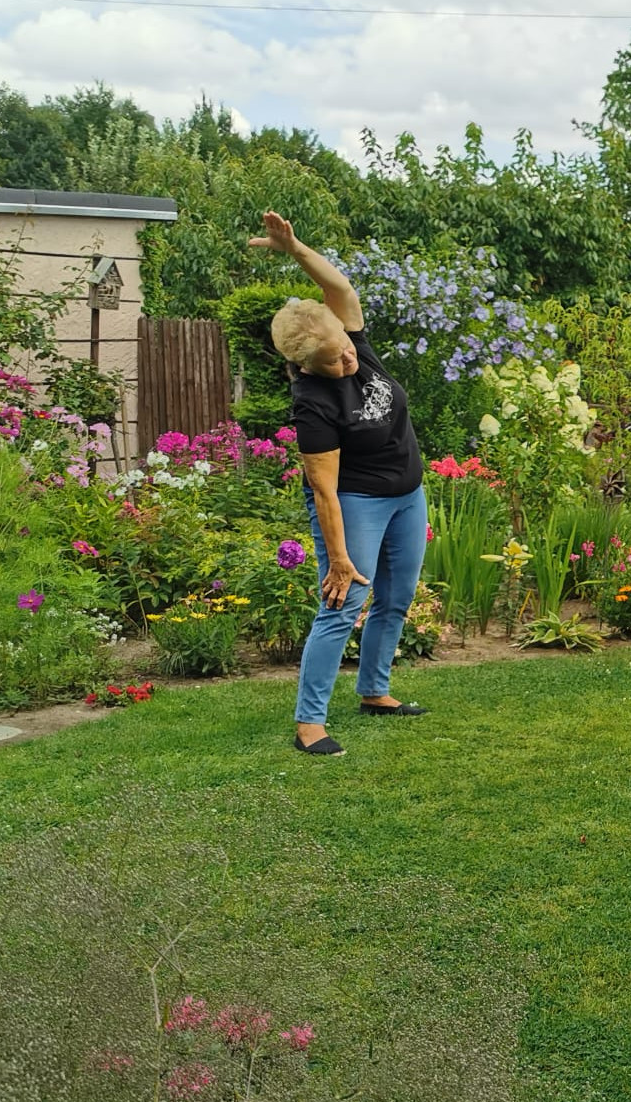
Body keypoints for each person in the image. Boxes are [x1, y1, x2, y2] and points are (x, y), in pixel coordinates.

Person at [255, 210, 428, 757]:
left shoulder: (350, 339)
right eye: (333, 363)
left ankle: (375, 690)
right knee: (342, 603)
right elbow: (324, 491)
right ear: (306, 367)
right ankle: (310, 723)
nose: (348, 362)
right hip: (357, 501)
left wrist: (295, 248)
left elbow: (339, 287)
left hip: (407, 494)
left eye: (347, 349)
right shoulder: (313, 406)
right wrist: (338, 558)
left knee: (396, 598)